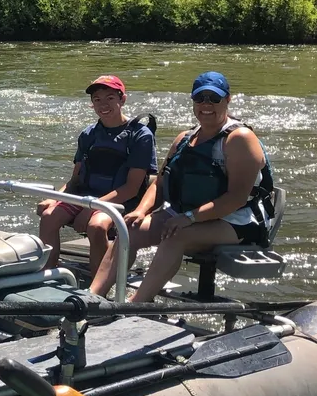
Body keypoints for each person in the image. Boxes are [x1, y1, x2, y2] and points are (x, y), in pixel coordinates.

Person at [90, 72, 276, 303]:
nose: (206, 105)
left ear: (228, 100)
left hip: (237, 221)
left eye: (213, 99)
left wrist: (189, 217)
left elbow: (236, 198)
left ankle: (136, 304)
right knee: (130, 230)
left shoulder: (240, 139)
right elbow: (161, 182)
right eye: (200, 99)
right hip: (186, 213)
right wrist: (141, 210)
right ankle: (92, 298)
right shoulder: (184, 138)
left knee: (177, 236)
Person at [37, 75, 156, 279]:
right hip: (85, 197)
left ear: (122, 99)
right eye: (97, 100)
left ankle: (98, 284)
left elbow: (132, 188)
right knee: (48, 216)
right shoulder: (88, 134)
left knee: (97, 225)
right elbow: (75, 181)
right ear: (92, 104)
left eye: (110, 98)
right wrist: (57, 198)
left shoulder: (140, 135)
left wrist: (94, 207)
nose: (103, 104)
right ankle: (46, 274)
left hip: (121, 201)